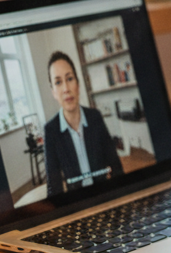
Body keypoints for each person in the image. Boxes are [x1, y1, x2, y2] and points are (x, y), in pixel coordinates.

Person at [43, 51, 123, 195]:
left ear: (78, 84)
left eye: (70, 79)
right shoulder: (51, 130)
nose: (66, 89)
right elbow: (54, 188)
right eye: (58, 82)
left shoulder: (95, 118)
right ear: (53, 92)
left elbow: (116, 167)